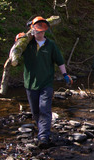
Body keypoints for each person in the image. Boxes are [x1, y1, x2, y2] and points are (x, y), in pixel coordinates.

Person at [20, 16, 73, 148]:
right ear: (32, 31)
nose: (40, 34)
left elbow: (59, 61)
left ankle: (43, 136)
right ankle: (41, 130)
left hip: (46, 83)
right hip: (30, 83)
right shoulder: (27, 44)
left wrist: (65, 75)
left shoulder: (51, 45)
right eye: (38, 31)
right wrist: (19, 39)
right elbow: (16, 51)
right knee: (36, 111)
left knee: (44, 108)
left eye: (42, 31)